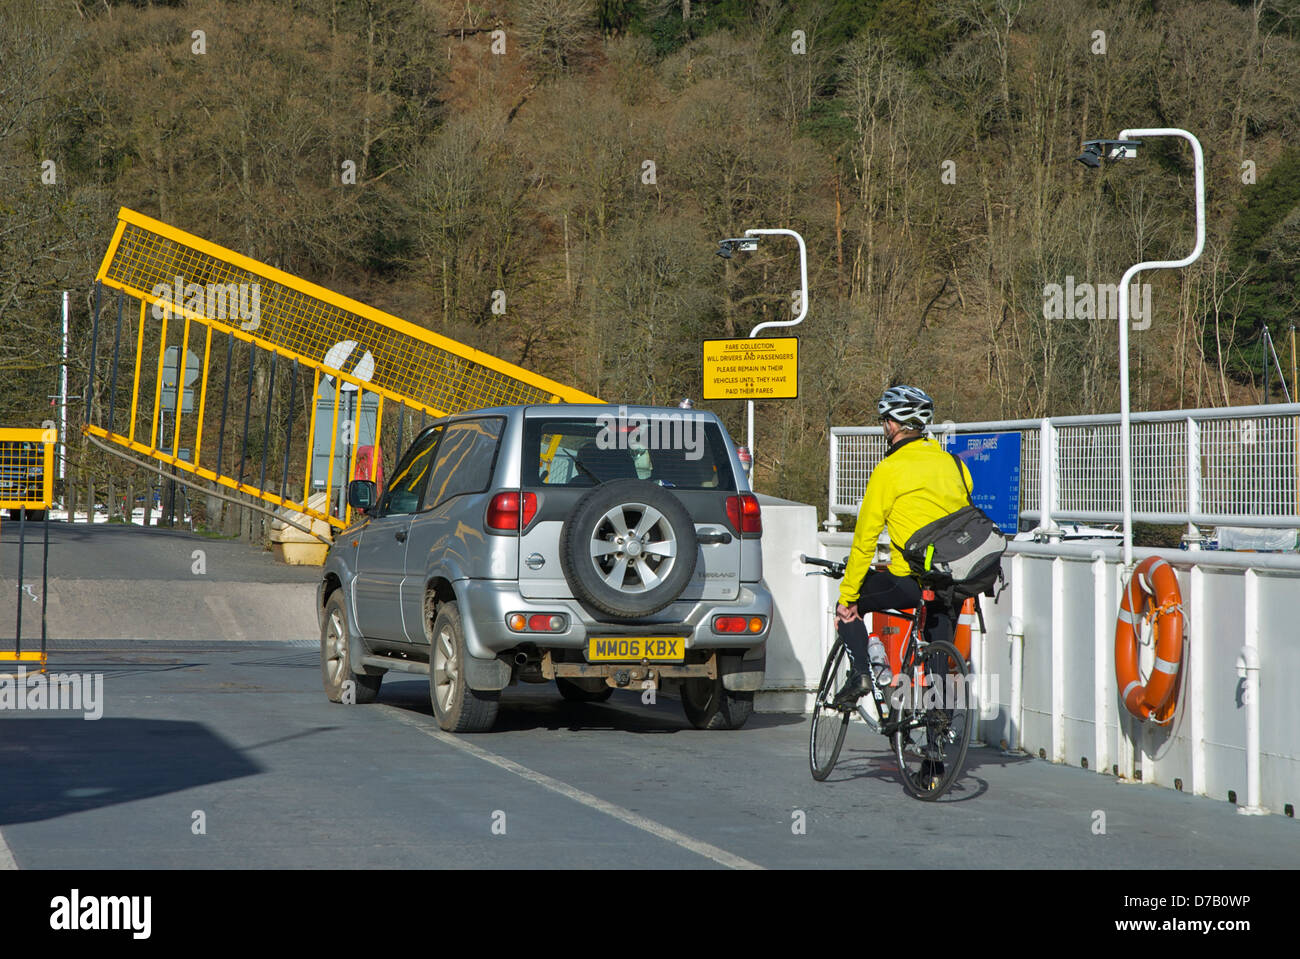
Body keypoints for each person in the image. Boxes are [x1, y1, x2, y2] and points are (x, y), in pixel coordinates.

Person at [833, 385, 973, 706]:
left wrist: (848, 594)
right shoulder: (955, 466)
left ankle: (861, 674)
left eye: (884, 421)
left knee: (846, 611)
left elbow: (865, 539)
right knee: (939, 657)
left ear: (893, 425)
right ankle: (937, 743)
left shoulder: (888, 470)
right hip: (954, 579)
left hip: (909, 580)